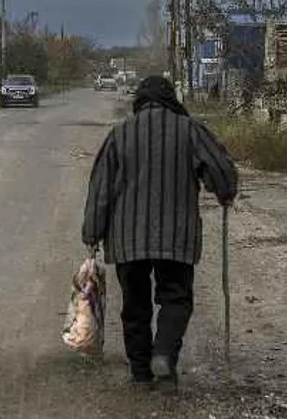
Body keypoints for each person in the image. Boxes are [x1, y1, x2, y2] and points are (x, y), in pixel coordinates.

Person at [81, 75, 238, 391]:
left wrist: (92, 232)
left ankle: (140, 373)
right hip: (176, 236)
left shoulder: (119, 134)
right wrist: (224, 191)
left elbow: (100, 189)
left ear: (139, 102)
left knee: (134, 305)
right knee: (176, 298)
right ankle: (164, 354)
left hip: (127, 239)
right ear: (171, 101)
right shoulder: (189, 130)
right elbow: (221, 170)